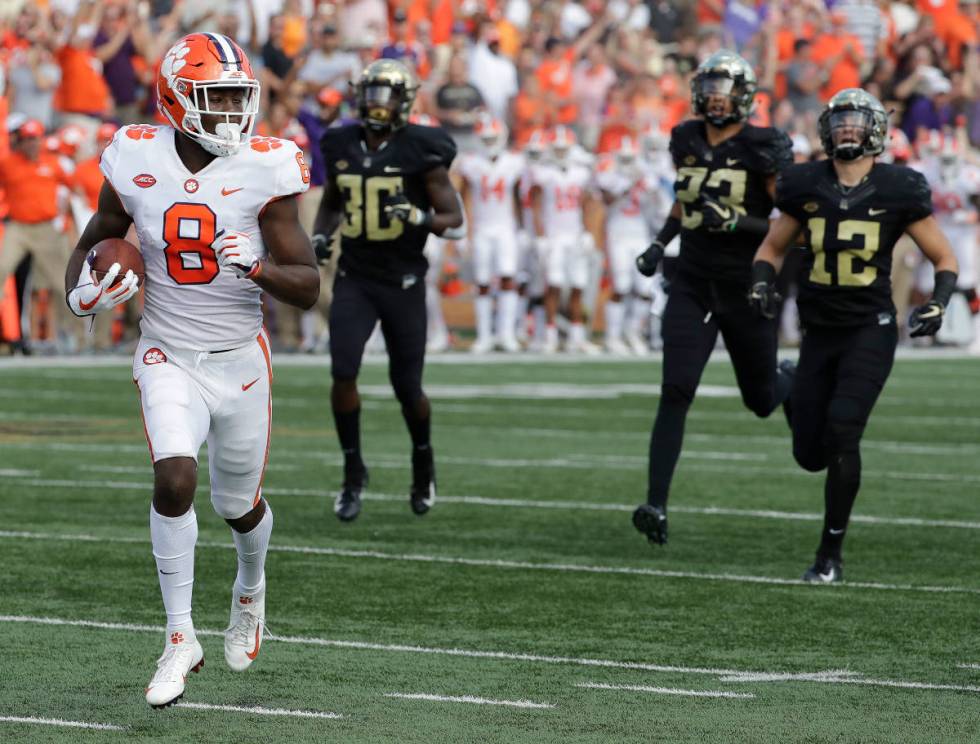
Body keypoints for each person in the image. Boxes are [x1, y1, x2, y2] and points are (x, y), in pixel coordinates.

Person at [63, 32, 318, 707]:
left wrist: (257, 265)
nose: (233, 109)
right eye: (219, 96)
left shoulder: (268, 168)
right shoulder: (135, 153)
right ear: (177, 100)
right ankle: (180, 637)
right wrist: (79, 292)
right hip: (167, 351)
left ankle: (250, 589)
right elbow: (96, 238)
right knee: (175, 477)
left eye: (240, 95)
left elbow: (308, 284)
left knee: (238, 505)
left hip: (241, 360)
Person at [749, 88, 958, 582]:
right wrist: (760, 282)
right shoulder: (803, 184)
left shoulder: (899, 189)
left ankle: (829, 555)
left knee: (844, 431)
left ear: (876, 131)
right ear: (826, 128)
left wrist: (938, 302)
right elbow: (772, 247)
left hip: (870, 328)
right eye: (839, 120)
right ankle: (791, 389)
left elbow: (944, 257)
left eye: (855, 121)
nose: (846, 129)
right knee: (808, 456)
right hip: (818, 330)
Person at [632, 50, 795, 546]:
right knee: (676, 390)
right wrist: (661, 242)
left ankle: (786, 378)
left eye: (726, 92)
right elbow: (686, 201)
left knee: (761, 400)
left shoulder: (765, 146)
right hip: (694, 281)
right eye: (711, 91)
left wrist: (737, 223)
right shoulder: (685, 137)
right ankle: (655, 503)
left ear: (745, 97)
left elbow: (788, 224)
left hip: (746, 284)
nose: (716, 101)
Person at [312, 59, 463, 522]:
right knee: (343, 371)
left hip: (403, 281)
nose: (377, 104)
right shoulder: (340, 141)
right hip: (355, 276)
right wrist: (321, 235)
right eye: (371, 94)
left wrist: (417, 217)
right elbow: (332, 201)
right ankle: (353, 471)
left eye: (387, 95)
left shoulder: (424, 147)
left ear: (405, 101)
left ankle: (423, 460)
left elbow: (454, 221)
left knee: (407, 386)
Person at [455, 116, 525, 352]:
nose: (489, 142)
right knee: (483, 281)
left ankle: (506, 334)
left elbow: (519, 198)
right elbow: (462, 198)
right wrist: (463, 232)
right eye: (485, 138)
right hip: (482, 228)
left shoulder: (514, 162)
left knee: (508, 277)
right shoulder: (471, 163)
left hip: (506, 227)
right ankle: (484, 335)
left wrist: (523, 229)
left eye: (492, 138)